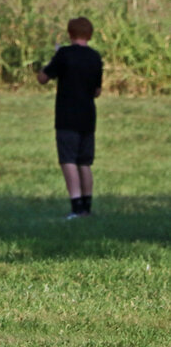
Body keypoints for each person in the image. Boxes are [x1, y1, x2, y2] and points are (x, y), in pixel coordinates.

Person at [37, 17, 103, 219]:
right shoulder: (95, 57)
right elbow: (97, 91)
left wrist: (47, 62)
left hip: (67, 115)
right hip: (88, 116)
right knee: (85, 162)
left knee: (68, 160)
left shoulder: (64, 54)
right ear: (89, 35)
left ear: (70, 33)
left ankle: (75, 206)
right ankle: (87, 207)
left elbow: (43, 78)